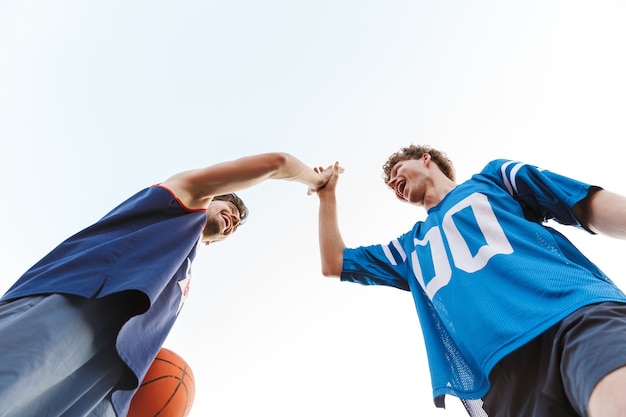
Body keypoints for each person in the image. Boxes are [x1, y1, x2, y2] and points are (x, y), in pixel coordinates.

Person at [0, 152, 332, 417]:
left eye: (235, 221)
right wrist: (317, 181)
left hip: (106, 381)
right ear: (209, 196)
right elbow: (277, 163)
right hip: (74, 307)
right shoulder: (181, 196)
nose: (232, 218)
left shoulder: (182, 270)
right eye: (227, 206)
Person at [315, 145, 626, 417]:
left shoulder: (494, 178)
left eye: (398, 170)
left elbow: (580, 202)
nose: (394, 183)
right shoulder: (410, 247)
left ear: (426, 159)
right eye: (390, 185)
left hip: (572, 314)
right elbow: (335, 262)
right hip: (503, 377)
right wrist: (326, 195)